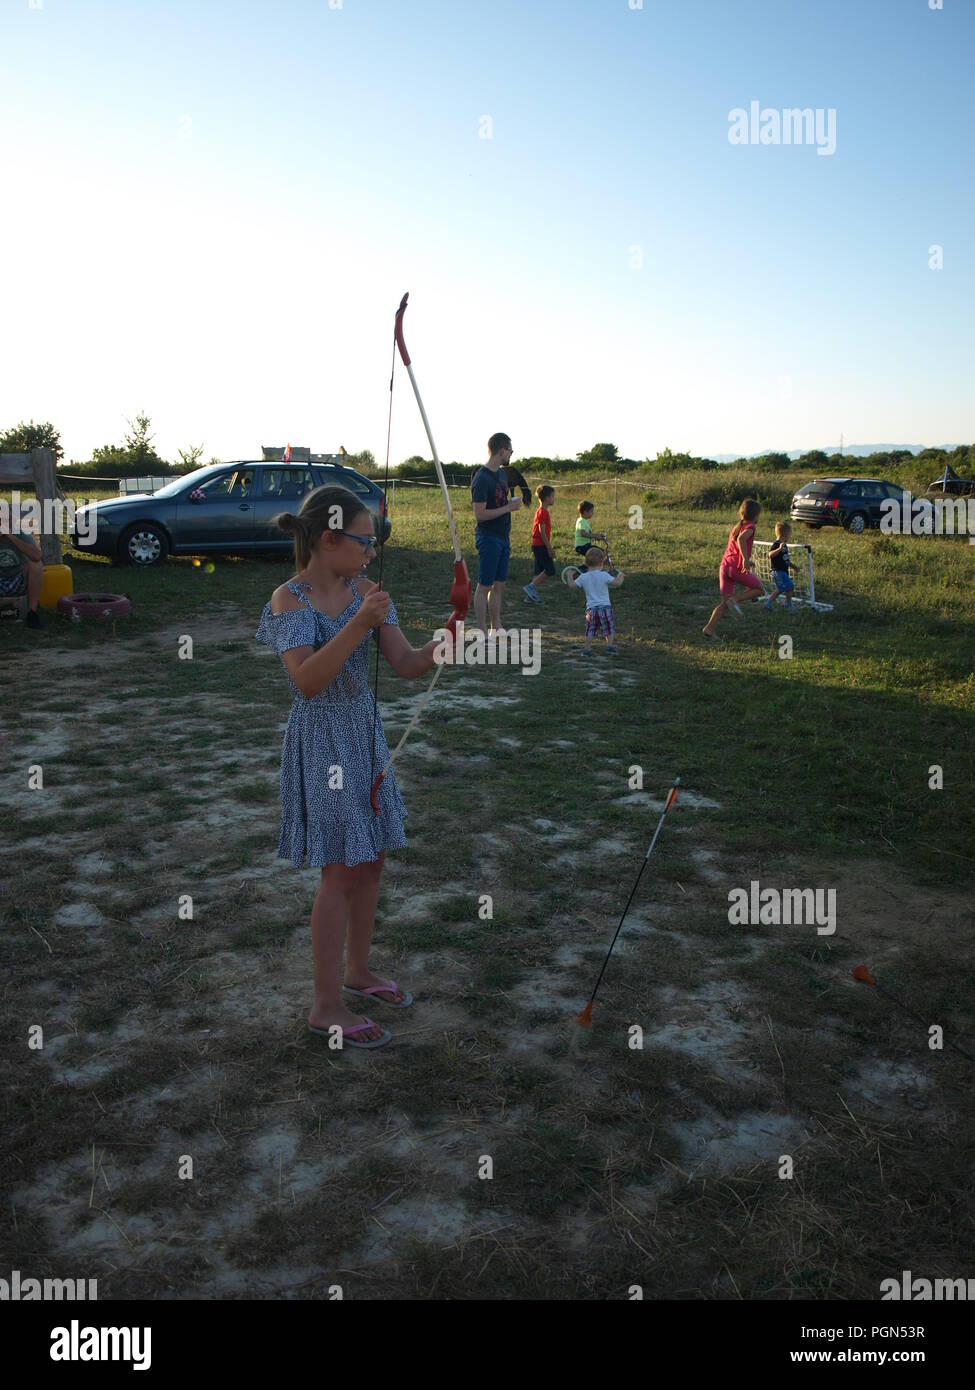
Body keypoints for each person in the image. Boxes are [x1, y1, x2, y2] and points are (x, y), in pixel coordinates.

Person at [255, 485, 441, 1050]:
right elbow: (307, 680)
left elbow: (406, 664)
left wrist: (449, 642)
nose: (372, 553)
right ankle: (324, 1005)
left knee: (372, 858)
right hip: (322, 740)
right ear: (329, 538)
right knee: (339, 868)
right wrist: (358, 623)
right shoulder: (291, 598)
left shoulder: (365, 590)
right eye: (366, 541)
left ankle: (358, 973)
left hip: (364, 733)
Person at [470, 432, 522, 632]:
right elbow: (480, 514)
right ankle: (482, 630)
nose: (511, 454)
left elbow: (500, 501)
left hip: (503, 536)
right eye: (510, 450)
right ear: (502, 451)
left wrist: (509, 505)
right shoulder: (482, 478)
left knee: (499, 584)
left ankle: (496, 626)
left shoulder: (501, 474)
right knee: (485, 585)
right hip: (488, 537)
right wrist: (508, 508)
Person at [702, 498, 764, 640]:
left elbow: (736, 546)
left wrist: (747, 560)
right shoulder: (751, 527)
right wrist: (745, 559)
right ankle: (736, 600)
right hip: (736, 568)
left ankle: (709, 629)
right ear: (755, 516)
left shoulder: (736, 527)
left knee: (725, 604)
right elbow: (742, 540)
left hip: (725, 567)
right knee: (759, 589)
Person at [569, 546, 624, 655]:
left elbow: (572, 586)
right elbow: (617, 583)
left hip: (591, 610)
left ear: (586, 563)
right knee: (608, 628)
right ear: (601, 563)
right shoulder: (604, 575)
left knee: (590, 629)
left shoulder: (583, 577)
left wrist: (570, 575)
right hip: (605, 608)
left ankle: (587, 649)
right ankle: (609, 646)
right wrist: (621, 575)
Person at [0, 515, 43, 629]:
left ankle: (32, 613)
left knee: (36, 565)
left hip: (18, 578)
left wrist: (10, 537)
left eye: (5, 520)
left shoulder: (21, 533)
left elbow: (37, 556)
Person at [524, 484, 555, 605]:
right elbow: (542, 531)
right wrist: (549, 548)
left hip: (537, 544)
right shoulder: (543, 512)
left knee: (538, 571)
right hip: (540, 545)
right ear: (547, 498)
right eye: (553, 496)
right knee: (550, 570)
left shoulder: (541, 511)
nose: (554, 499)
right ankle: (530, 587)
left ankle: (530, 597)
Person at [764, 521, 796, 611]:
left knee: (780, 589)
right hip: (778, 571)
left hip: (783, 571)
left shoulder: (784, 546)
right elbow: (770, 555)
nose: (790, 537)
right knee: (790, 585)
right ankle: (788, 604)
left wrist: (794, 566)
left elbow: (786, 560)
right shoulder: (777, 544)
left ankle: (768, 604)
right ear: (785, 535)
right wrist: (779, 549)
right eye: (790, 535)